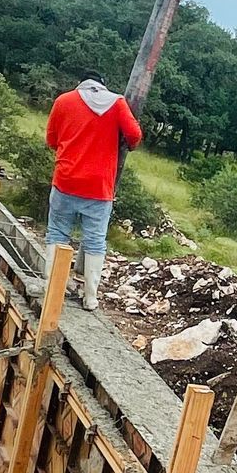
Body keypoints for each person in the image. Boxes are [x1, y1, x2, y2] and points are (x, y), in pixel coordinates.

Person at [44, 76, 142, 311]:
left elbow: (51, 140)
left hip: (65, 180)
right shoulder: (117, 103)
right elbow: (135, 135)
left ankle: (51, 288)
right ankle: (90, 297)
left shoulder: (64, 101)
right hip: (99, 186)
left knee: (57, 233)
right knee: (95, 241)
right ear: (103, 85)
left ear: (81, 84)